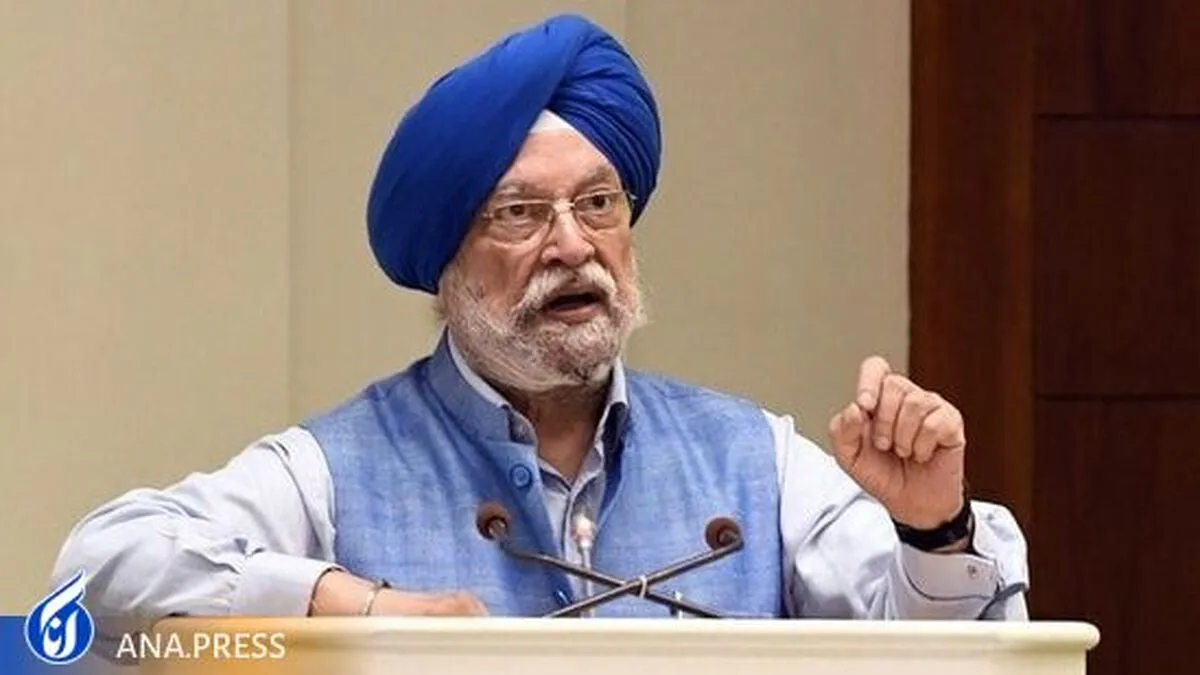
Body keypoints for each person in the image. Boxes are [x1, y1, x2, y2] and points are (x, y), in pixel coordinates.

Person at [52, 14, 1028, 622]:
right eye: (519, 213)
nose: (572, 245)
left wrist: (934, 530)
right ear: (447, 262)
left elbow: (944, 651)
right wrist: (348, 604)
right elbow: (98, 568)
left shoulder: (754, 462)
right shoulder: (333, 472)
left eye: (599, 204)